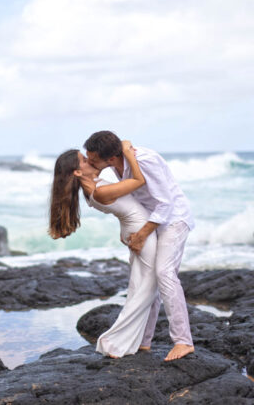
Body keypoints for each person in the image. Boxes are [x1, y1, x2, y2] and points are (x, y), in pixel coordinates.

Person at [84, 131, 195, 361]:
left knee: (164, 272)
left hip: (173, 219)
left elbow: (165, 203)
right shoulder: (119, 163)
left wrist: (142, 234)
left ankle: (183, 341)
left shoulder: (145, 160)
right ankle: (143, 341)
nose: (90, 163)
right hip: (151, 222)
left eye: (93, 159)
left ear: (111, 158)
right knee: (148, 278)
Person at [49, 141, 159, 358]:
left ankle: (134, 342)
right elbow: (139, 180)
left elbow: (124, 207)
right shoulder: (99, 192)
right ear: (78, 171)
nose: (90, 160)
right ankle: (113, 341)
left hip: (134, 230)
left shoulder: (94, 185)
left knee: (140, 287)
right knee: (146, 288)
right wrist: (127, 152)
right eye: (84, 160)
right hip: (140, 233)